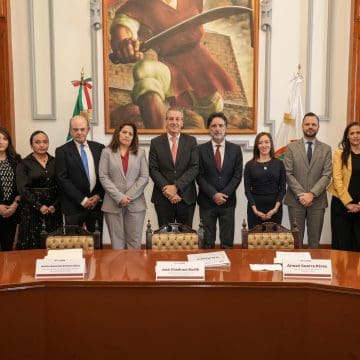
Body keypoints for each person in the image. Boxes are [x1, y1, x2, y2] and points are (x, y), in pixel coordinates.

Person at [109, 0, 236, 128]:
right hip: (171, 70)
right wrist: (124, 44)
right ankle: (158, 139)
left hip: (202, 70)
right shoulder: (140, 4)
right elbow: (123, 26)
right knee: (144, 70)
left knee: (211, 109)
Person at [284, 112, 332, 248]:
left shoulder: (326, 149)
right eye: (307, 124)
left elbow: (327, 175)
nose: (310, 127)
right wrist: (302, 195)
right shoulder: (291, 148)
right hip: (295, 200)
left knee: (314, 242)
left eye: (313, 124)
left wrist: (311, 194)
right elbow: (288, 173)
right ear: (302, 126)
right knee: (296, 242)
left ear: (318, 127)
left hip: (317, 201)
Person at [55, 115, 105, 244]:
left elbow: (105, 176)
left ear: (88, 129)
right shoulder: (62, 151)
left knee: (96, 244)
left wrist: (99, 195)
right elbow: (62, 179)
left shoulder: (99, 148)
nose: (79, 132)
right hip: (73, 206)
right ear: (71, 131)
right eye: (75, 129)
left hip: (95, 205)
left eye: (82, 129)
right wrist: (82, 200)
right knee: (73, 246)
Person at [99, 122, 149, 249]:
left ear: (134, 137)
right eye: (124, 132)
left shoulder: (140, 152)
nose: (127, 135)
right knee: (117, 243)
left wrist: (128, 196)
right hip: (113, 203)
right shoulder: (106, 152)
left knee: (134, 242)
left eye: (130, 134)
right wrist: (119, 197)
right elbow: (103, 176)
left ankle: (134, 270)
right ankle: (118, 270)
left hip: (136, 204)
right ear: (118, 133)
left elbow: (144, 177)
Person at [197, 112, 242, 248]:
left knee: (227, 242)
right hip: (207, 202)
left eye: (221, 125)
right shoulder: (200, 150)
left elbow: (237, 175)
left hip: (228, 202)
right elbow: (199, 175)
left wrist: (224, 194)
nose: (217, 129)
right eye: (214, 126)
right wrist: (214, 194)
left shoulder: (235, 149)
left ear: (226, 128)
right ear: (209, 129)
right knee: (207, 242)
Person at [149, 107, 198, 227]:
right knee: (164, 238)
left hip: (185, 197)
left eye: (177, 119)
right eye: (171, 119)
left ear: (182, 122)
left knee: (186, 237)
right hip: (163, 198)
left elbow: (194, 167)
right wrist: (168, 190)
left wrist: (176, 187)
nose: (174, 122)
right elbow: (153, 169)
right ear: (166, 121)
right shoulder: (156, 142)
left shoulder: (191, 141)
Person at [16, 131, 62, 249]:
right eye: (38, 142)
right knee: (32, 245)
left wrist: (54, 205)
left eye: (45, 142)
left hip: (53, 210)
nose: (42, 145)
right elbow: (22, 189)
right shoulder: (24, 163)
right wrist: (39, 206)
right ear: (31, 145)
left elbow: (62, 185)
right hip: (32, 210)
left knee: (53, 244)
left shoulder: (56, 161)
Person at [328, 122, 360, 251]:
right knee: (342, 244)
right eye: (352, 133)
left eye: (358, 133)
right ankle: (340, 272)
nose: (355, 136)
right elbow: (337, 180)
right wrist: (348, 203)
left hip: (359, 206)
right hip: (341, 205)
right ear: (347, 136)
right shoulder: (339, 153)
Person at [244, 132, 286, 229]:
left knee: (274, 241)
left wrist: (275, 209)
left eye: (266, 142)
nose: (264, 145)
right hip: (255, 208)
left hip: (275, 208)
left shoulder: (279, 164)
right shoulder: (249, 165)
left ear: (271, 144)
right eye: (260, 143)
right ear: (257, 146)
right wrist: (255, 211)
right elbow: (247, 190)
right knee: (254, 241)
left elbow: (283, 189)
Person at [0, 128, 21, 251]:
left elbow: (21, 186)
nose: (1, 142)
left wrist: (15, 205)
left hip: (12, 211)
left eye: (4, 138)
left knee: (9, 249)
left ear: (9, 142)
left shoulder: (16, 160)